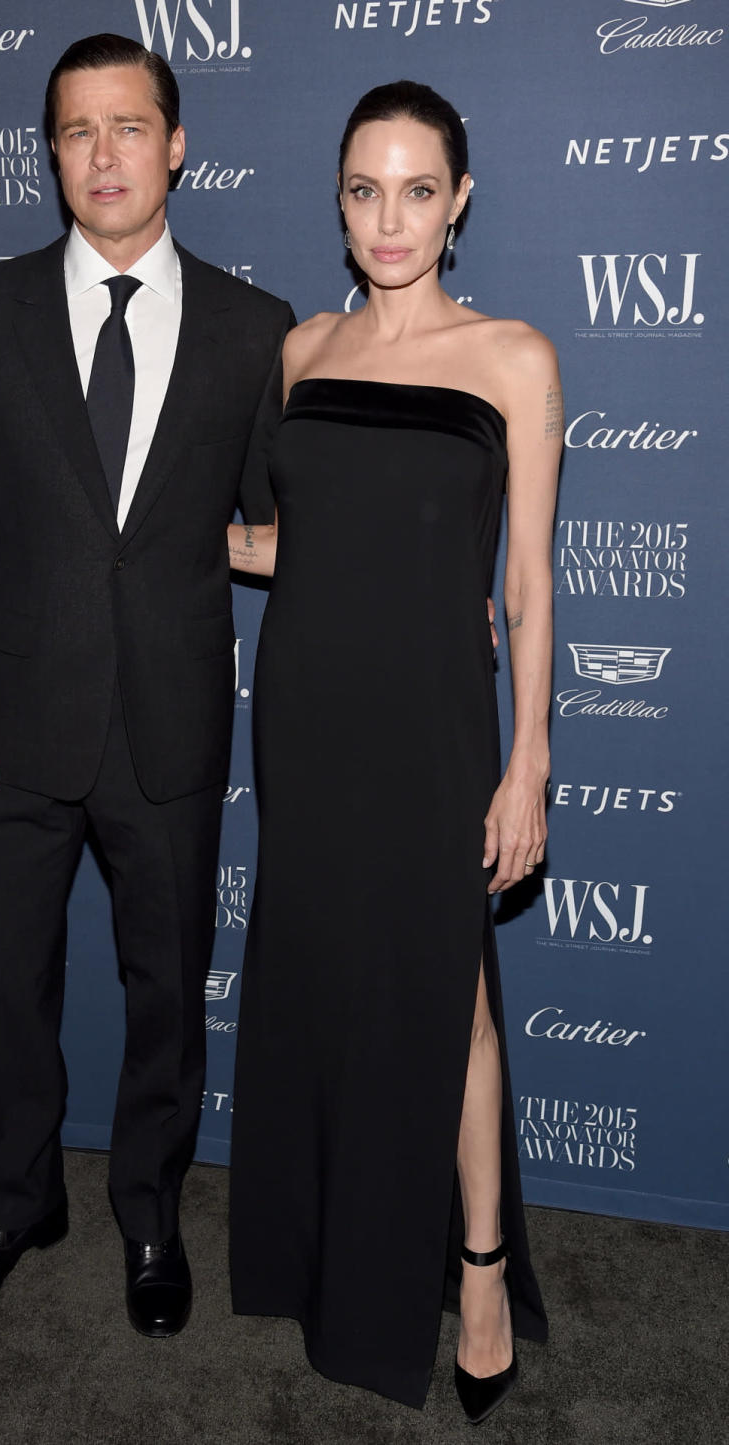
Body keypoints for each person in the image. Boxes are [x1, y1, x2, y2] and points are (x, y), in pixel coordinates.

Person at [0, 33, 292, 1336]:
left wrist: (400, 579)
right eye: (78, 130)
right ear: (52, 153)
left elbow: (271, 527)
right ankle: (18, 1199)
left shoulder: (255, 327)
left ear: (176, 146)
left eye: (130, 126)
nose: (105, 153)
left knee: (164, 991)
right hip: (9, 722)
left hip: (173, 719)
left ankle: (146, 1212)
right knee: (6, 978)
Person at [227, 80, 557, 1422]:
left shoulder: (512, 357)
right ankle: (332, 1255)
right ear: (341, 199)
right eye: (366, 190)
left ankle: (477, 1272)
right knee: (328, 988)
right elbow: (285, 540)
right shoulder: (301, 351)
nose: (391, 218)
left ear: (460, 198)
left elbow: (525, 581)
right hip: (306, 716)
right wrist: (128, 538)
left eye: (419, 189)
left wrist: (528, 754)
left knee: (453, 996)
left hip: (432, 727)